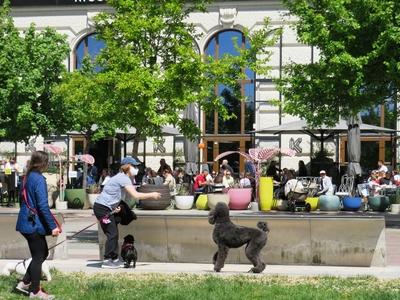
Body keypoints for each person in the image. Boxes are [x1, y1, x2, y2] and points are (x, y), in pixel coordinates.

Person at [93, 157, 161, 269]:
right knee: (112, 233)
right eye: (134, 166)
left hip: (107, 208)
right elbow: (136, 195)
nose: (136, 168)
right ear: (128, 166)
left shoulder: (123, 178)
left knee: (114, 232)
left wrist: (116, 207)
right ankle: (107, 260)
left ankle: (114, 259)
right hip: (102, 209)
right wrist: (152, 194)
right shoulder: (123, 178)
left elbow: (115, 195)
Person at [15, 151, 61, 299]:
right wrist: (53, 226)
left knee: (42, 253)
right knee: (38, 256)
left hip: (25, 221)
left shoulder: (27, 176)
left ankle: (25, 283)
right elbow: (42, 206)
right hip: (32, 224)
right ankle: (35, 291)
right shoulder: (39, 179)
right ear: (44, 163)